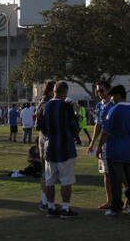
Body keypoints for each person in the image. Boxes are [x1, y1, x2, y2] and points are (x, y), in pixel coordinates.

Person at [98, 85, 130, 217]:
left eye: (112, 96)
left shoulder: (114, 110)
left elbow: (106, 132)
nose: (111, 99)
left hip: (116, 151)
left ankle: (116, 208)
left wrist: (99, 146)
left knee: (116, 181)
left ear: (118, 95)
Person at [40, 81, 79, 219]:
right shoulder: (66, 107)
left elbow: (39, 125)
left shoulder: (44, 106)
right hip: (65, 147)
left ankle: (51, 207)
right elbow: (74, 125)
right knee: (66, 180)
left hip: (50, 147)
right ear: (65, 93)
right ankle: (66, 208)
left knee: (50, 180)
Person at [88, 79, 115, 210]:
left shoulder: (114, 104)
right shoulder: (99, 106)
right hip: (104, 144)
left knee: (120, 173)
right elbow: (98, 124)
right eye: (98, 91)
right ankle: (109, 200)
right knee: (106, 173)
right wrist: (93, 142)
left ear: (108, 90)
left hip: (115, 142)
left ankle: (128, 197)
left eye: (102, 90)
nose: (99, 93)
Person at [35, 79, 55, 212]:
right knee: (45, 173)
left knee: (46, 172)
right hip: (45, 140)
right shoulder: (46, 104)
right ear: (49, 92)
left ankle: (45, 200)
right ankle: (45, 201)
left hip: (44, 140)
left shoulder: (43, 103)